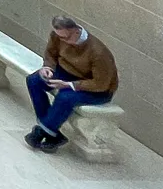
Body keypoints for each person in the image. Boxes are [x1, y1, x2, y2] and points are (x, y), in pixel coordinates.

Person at [25, 15, 118, 152]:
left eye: (66, 38)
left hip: (97, 89)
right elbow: (51, 53)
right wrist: (47, 67)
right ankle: (52, 132)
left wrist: (70, 85)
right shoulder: (58, 36)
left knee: (65, 97)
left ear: (76, 31)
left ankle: (41, 131)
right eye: (60, 37)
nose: (64, 41)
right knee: (34, 80)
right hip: (67, 73)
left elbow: (101, 84)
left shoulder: (98, 52)